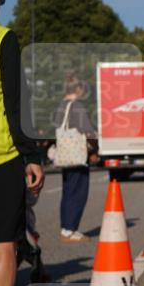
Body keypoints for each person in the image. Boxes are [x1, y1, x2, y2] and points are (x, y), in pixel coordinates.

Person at [0, 0, 45, 286]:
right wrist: (31, 155)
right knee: (2, 244)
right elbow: (15, 103)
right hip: (0, 156)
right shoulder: (2, 38)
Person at [53, 76, 98, 242]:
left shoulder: (61, 106)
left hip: (65, 154)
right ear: (78, 89)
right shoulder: (77, 106)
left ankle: (66, 227)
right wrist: (95, 149)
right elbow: (88, 131)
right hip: (77, 155)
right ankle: (71, 229)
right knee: (78, 192)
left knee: (67, 192)